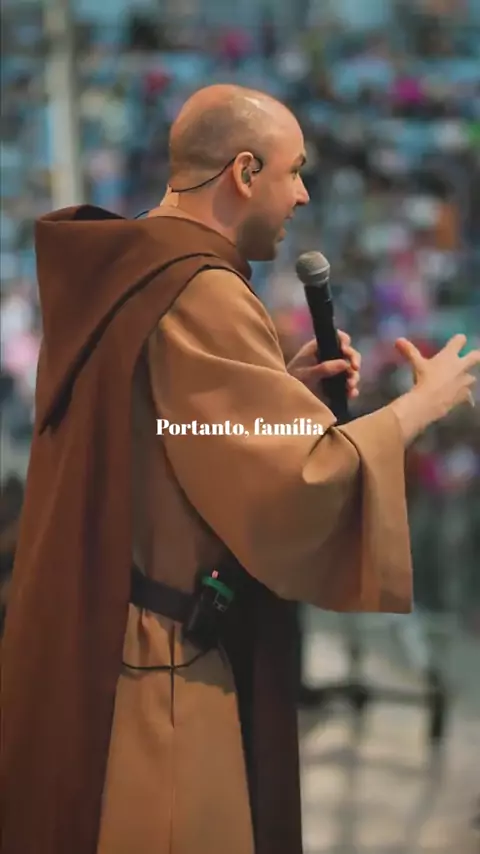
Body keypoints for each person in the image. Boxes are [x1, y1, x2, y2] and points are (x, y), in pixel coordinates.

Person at [1, 84, 478, 854]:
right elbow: (298, 483)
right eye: (294, 171)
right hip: (162, 672)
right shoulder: (203, 288)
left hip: (110, 640)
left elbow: (170, 440)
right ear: (244, 172)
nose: (304, 194)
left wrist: (280, 393)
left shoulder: (129, 267)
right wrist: (422, 407)